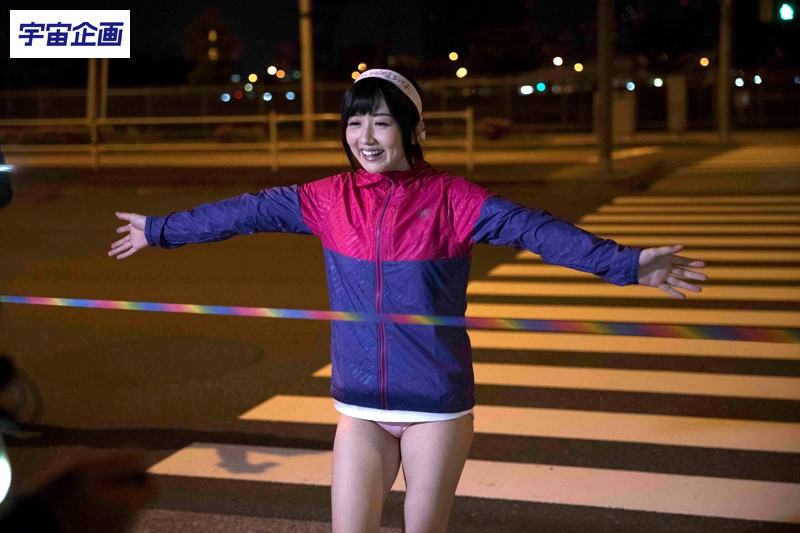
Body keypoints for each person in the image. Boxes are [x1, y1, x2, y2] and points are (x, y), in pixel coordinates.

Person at [108, 69, 706, 533]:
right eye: (355, 123)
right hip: (360, 401)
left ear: (414, 130)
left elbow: (534, 229)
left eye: (382, 123)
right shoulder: (328, 199)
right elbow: (246, 211)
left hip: (434, 405)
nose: (365, 138)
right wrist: (160, 230)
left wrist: (625, 264)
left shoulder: (452, 198)